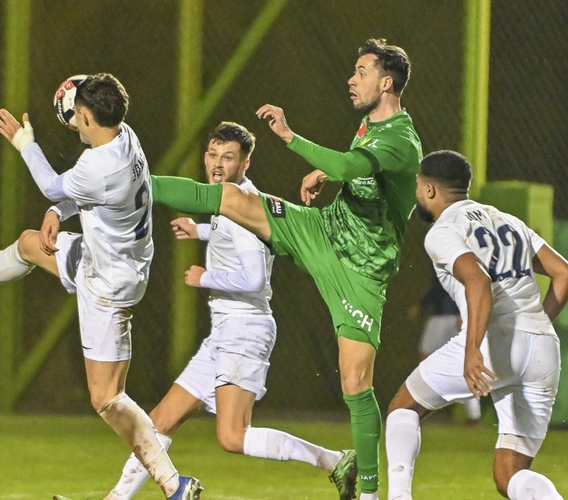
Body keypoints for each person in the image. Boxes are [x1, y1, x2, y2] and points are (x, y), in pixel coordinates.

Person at [150, 38, 421, 499]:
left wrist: (291, 138)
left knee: (356, 381)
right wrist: (326, 177)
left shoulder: (401, 139)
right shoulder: (367, 124)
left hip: (361, 273)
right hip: (322, 231)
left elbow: (350, 163)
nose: (351, 79)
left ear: (386, 80)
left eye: (361, 71)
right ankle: (132, 180)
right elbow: (353, 171)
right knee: (235, 198)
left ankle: (371, 493)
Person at [0, 73, 202, 500]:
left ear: (83, 115)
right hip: (118, 262)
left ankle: (175, 485)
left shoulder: (96, 166)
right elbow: (76, 193)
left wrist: (25, 144)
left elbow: (53, 183)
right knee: (28, 244)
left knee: (108, 398)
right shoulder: (125, 138)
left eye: (77, 118)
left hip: (106, 285)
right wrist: (59, 211)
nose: (74, 125)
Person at [103, 121, 357, 500]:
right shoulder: (231, 200)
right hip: (226, 331)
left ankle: (334, 460)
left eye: (228, 157)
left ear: (245, 164)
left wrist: (207, 277)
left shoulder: (242, 205)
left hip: (246, 329)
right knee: (160, 421)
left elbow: (254, 277)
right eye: (212, 154)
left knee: (232, 436)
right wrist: (201, 230)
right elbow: (234, 235)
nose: (217, 164)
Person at [384, 150, 568, 500]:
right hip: (543, 347)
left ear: (429, 189)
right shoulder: (508, 220)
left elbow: (477, 281)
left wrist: (473, 349)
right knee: (510, 477)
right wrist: (537, 325)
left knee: (404, 408)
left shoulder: (442, 230)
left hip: (495, 341)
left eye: (417, 186)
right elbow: (565, 274)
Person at [408, 283, 482, 424]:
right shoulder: (441, 264)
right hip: (439, 318)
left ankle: (474, 415)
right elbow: (436, 290)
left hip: (455, 318)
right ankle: (419, 406)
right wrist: (422, 305)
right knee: (425, 362)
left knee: (463, 365)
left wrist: (466, 313)